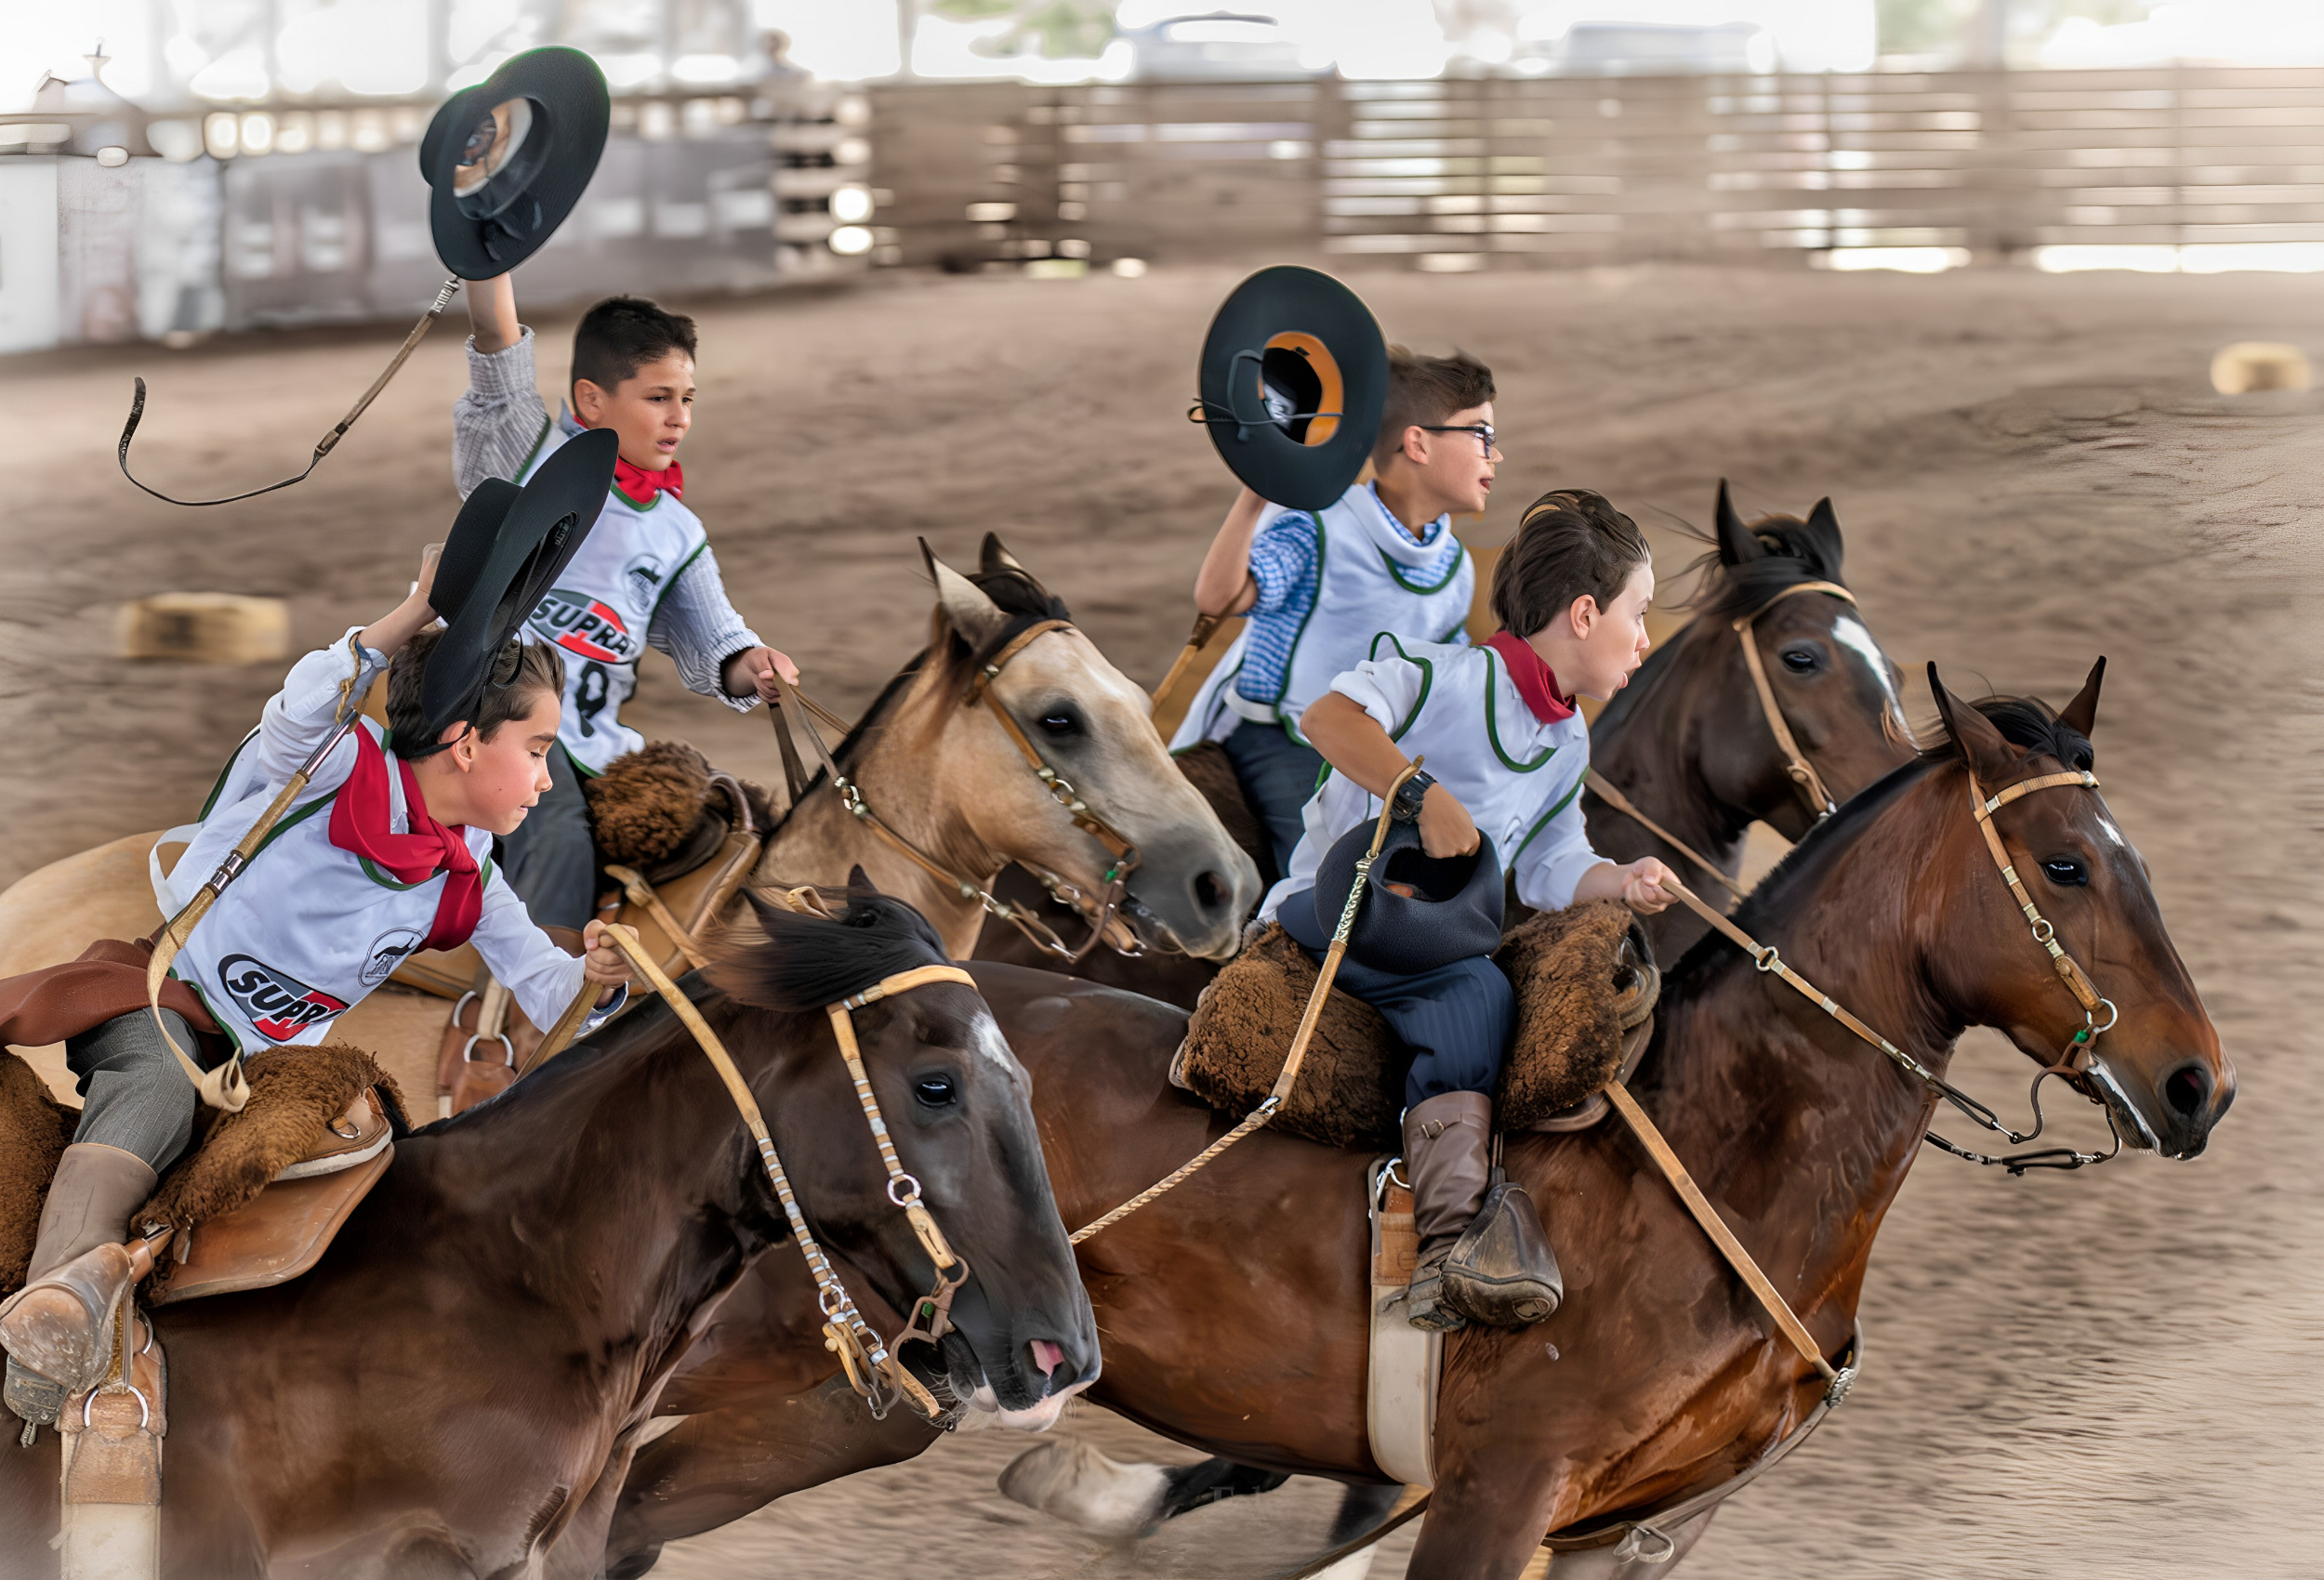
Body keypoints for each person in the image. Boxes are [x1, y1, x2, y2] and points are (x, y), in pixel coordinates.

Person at [0, 552, 634, 1413]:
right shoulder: (333, 765)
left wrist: (595, 977)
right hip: (169, 1000)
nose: (548, 777)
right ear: (466, 741)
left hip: (271, 1066)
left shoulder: (468, 874)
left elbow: (545, 988)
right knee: (153, 1091)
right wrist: (413, 614)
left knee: (362, 1168)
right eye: (536, 749)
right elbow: (301, 703)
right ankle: (53, 1320)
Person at [1265, 489, 1678, 1332]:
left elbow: (1552, 863)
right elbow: (1326, 717)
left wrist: (1621, 879)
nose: (1645, 638)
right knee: (1479, 996)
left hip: (1432, 939)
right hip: (1339, 913)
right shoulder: (1439, 675)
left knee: (1496, 995)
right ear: (1585, 612)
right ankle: (1451, 1243)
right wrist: (1423, 792)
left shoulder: (1567, 743)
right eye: (1639, 614)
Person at [454, 277, 798, 941]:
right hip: (483, 712)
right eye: (658, 398)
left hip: (596, 746)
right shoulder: (527, 451)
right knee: (554, 828)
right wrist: (486, 244)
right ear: (591, 398)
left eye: (688, 399)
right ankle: (535, 1013)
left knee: (721, 830)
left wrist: (754, 665)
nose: (680, 418)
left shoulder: (675, 530)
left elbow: (718, 642)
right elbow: (497, 342)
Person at [1170, 348, 1499, 880]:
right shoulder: (1320, 529)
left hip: (1371, 749)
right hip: (1286, 739)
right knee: (1334, 877)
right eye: (1481, 433)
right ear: (1417, 441)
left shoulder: (1455, 565)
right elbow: (1220, 599)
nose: (1495, 454)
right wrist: (1258, 490)